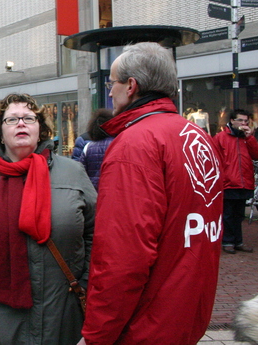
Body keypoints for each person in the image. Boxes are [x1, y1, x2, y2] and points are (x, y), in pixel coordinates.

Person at [78, 42, 224, 345]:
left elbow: (122, 256)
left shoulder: (136, 144)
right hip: (187, 313)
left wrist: (97, 334)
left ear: (131, 86)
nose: (109, 92)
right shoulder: (196, 136)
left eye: (112, 83)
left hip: (146, 325)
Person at [0, 93, 96, 344]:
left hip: (63, 316)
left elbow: (96, 233)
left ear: (41, 129)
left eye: (28, 118)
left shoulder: (74, 173)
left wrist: (86, 283)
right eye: (12, 120)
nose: (21, 123)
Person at [214, 109, 258, 254]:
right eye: (240, 120)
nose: (244, 123)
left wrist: (250, 138)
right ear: (232, 121)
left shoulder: (247, 139)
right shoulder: (221, 137)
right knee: (228, 214)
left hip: (244, 181)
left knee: (239, 214)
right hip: (228, 182)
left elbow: (256, 154)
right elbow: (214, 160)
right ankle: (227, 241)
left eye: (246, 121)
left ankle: (238, 241)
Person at [78, 108, 114, 190]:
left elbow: (81, 173)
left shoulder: (88, 147)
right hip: (110, 189)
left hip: (92, 192)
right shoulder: (116, 143)